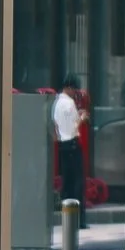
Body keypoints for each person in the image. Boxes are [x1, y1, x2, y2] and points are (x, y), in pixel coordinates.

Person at [52, 84, 84, 222]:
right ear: (69, 88)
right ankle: (79, 218)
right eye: (74, 90)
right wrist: (82, 117)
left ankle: (67, 218)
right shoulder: (69, 103)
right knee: (77, 182)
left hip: (62, 145)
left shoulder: (57, 102)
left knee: (67, 182)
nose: (74, 93)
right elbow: (73, 125)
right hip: (72, 144)